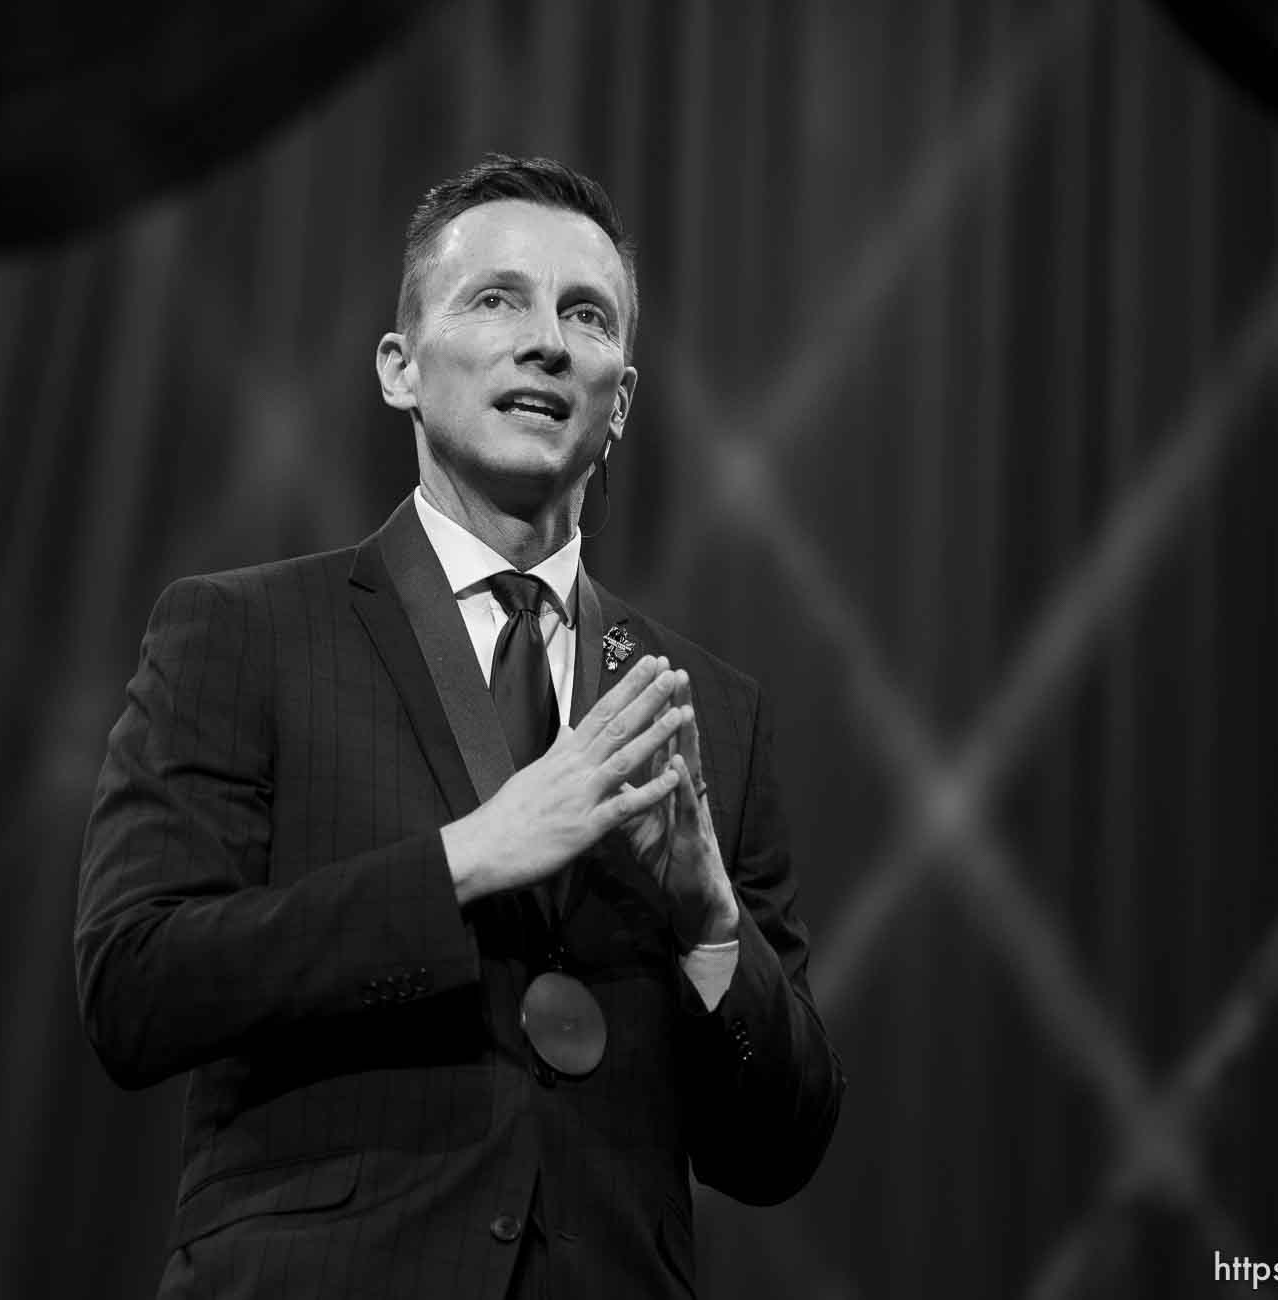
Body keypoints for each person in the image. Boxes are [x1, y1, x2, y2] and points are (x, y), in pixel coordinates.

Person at [75, 153, 844, 1300]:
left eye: (586, 317)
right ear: (400, 368)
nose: (547, 341)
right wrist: (464, 859)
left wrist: (709, 926)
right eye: (497, 299)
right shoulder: (242, 633)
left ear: (619, 399)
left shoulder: (705, 710)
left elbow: (778, 1145)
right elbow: (136, 988)